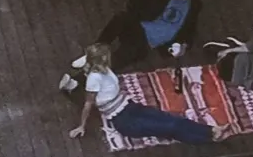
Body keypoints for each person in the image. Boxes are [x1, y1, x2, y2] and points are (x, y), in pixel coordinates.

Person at [69, 44, 224, 145]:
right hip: (124, 121)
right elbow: (88, 103)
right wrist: (81, 126)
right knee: (171, 127)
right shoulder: (94, 78)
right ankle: (209, 139)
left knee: (171, 119)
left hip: (129, 106)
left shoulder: (105, 69)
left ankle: (211, 130)